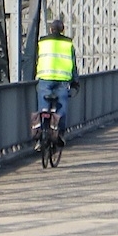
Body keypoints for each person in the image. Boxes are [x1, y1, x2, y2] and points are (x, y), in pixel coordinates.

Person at [35, 19, 79, 147]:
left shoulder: (42, 42)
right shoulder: (68, 43)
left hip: (45, 78)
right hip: (62, 80)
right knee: (62, 107)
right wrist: (75, 81)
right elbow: (73, 64)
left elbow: (36, 59)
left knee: (43, 108)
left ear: (50, 29)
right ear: (62, 30)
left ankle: (40, 137)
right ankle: (59, 134)